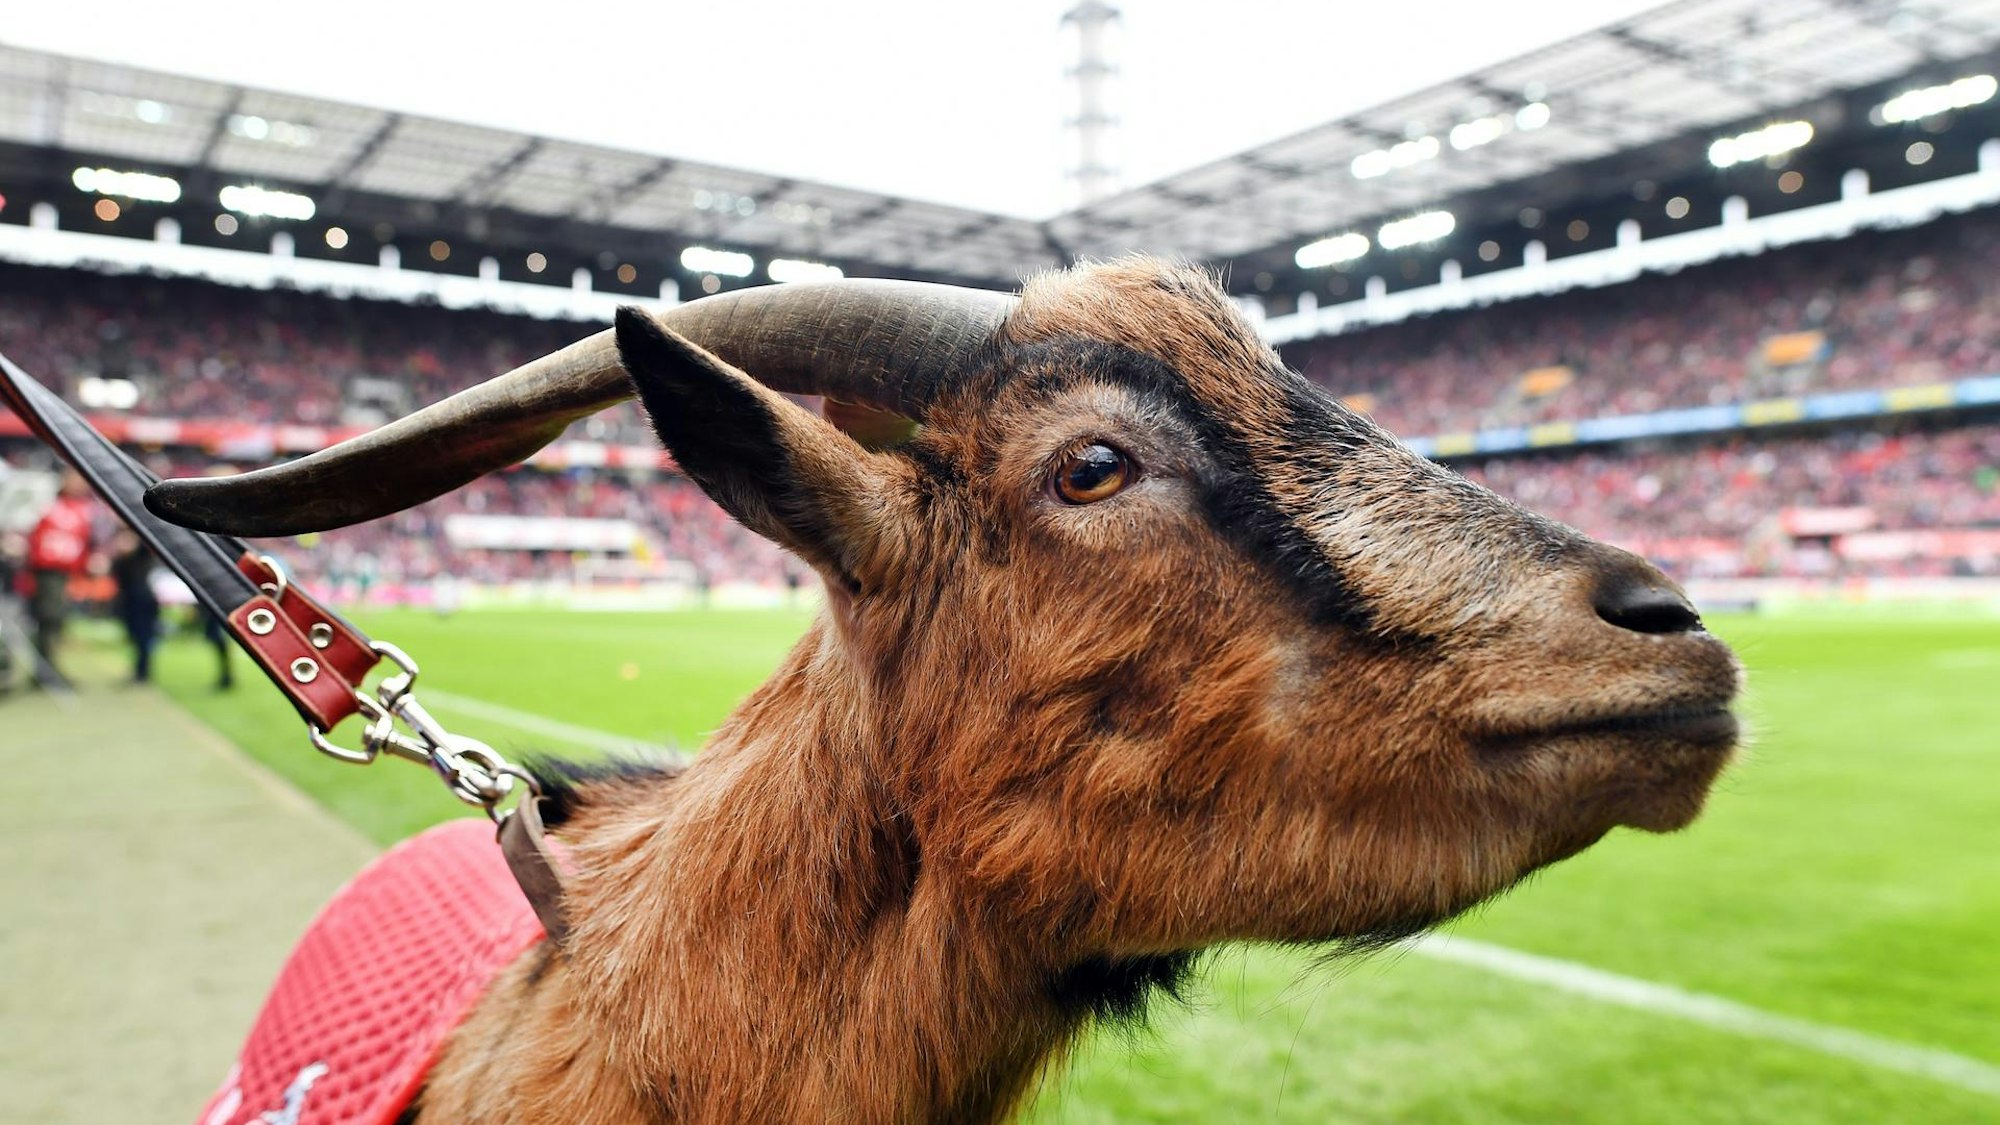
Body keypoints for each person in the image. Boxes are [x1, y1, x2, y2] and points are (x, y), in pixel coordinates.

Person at [23, 471, 94, 687]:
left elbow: (82, 542)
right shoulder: (48, 504)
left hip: (67, 573)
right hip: (48, 570)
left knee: (56, 619)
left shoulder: (82, 507)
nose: (78, 484)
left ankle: (46, 669)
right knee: (50, 618)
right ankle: (46, 670)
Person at [108, 531, 162, 683]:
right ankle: (139, 670)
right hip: (128, 601)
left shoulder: (142, 554)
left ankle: (143, 672)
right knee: (134, 636)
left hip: (143, 600)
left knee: (144, 637)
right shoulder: (121, 561)